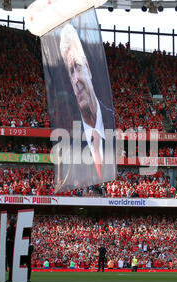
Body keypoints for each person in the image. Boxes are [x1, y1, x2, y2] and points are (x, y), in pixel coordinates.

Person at [57, 23, 116, 191]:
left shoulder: (113, 120)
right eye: (71, 72)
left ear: (88, 69)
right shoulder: (71, 139)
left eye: (78, 67)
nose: (75, 79)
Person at [6, 218, 16, 282]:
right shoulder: (15, 229)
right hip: (13, 247)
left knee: (10, 264)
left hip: (9, 247)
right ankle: (12, 277)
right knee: (12, 264)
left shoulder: (8, 229)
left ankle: (10, 278)